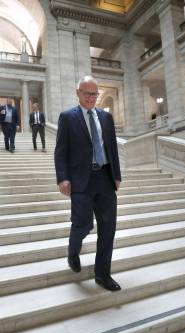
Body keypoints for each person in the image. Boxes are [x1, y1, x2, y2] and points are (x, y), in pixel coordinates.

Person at [54, 75, 122, 292]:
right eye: (87, 93)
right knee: (83, 225)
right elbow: (60, 151)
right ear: (78, 93)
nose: (91, 97)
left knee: (108, 228)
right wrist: (62, 178)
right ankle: (73, 250)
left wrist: (116, 175)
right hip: (81, 181)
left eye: (94, 94)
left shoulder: (105, 117)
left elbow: (111, 147)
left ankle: (102, 274)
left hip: (105, 178)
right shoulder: (67, 117)